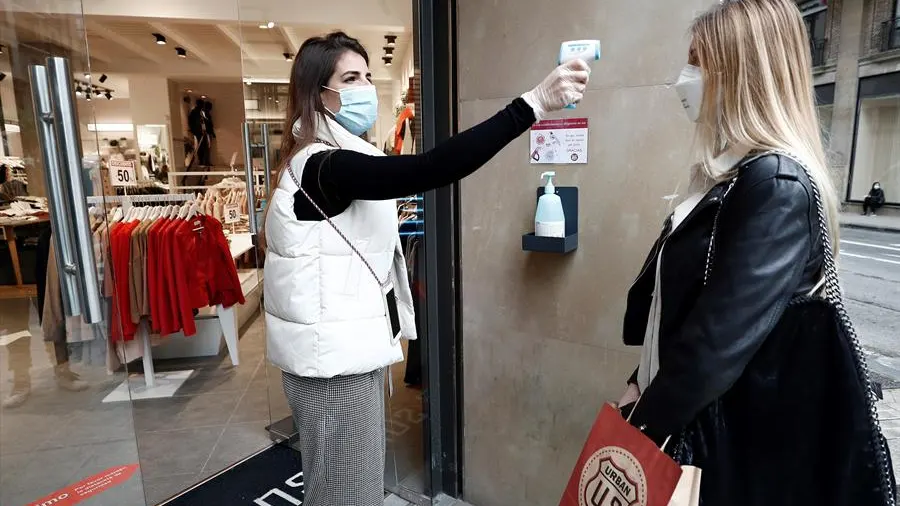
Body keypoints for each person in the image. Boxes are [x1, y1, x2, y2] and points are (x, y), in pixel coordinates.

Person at [263, 31, 588, 505]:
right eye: (351, 78)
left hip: (338, 356)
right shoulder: (324, 166)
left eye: (368, 76)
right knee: (347, 496)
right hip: (333, 370)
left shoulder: (324, 163)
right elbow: (430, 168)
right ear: (319, 95)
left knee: (339, 490)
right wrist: (532, 105)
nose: (366, 87)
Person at [616, 0, 892, 504]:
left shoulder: (775, 182)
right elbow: (684, 313)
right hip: (695, 419)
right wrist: (640, 383)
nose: (687, 76)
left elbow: (714, 346)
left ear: (740, 72)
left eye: (699, 62)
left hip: (729, 441)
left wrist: (641, 428)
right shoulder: (731, 173)